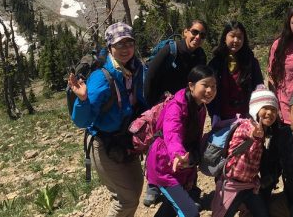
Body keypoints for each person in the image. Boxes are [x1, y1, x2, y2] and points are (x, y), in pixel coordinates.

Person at [68, 22, 146, 217]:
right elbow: (81, 121)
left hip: (124, 139)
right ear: (110, 47)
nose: (126, 49)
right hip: (102, 142)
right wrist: (83, 99)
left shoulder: (136, 68)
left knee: (135, 191)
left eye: (129, 43)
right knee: (126, 200)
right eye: (120, 45)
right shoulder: (101, 78)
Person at [143, 19, 208, 206]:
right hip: (164, 104)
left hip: (187, 104)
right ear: (185, 31)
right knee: (161, 141)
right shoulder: (171, 50)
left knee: (187, 140)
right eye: (194, 32)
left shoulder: (200, 55)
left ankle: (187, 183)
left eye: (202, 35)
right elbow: (151, 78)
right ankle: (154, 183)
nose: (197, 37)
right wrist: (152, 105)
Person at [146, 65, 217, 217]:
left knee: (171, 207)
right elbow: (172, 132)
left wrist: (189, 169)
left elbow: (193, 139)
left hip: (181, 164)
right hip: (164, 164)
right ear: (191, 85)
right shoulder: (176, 107)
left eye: (213, 86)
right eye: (205, 85)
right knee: (190, 212)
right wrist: (178, 154)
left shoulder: (200, 107)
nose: (210, 90)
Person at [211, 86, 279, 217]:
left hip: (250, 185)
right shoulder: (247, 126)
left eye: (273, 110)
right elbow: (247, 134)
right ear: (255, 109)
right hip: (233, 184)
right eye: (265, 108)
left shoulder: (262, 130)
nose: (270, 113)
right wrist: (254, 135)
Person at [207, 21, 264, 125]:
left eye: (240, 37)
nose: (236, 40)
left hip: (247, 115)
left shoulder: (251, 62)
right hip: (221, 117)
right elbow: (209, 91)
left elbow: (259, 86)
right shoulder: (215, 63)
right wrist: (214, 114)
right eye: (232, 36)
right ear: (225, 37)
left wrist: (256, 112)